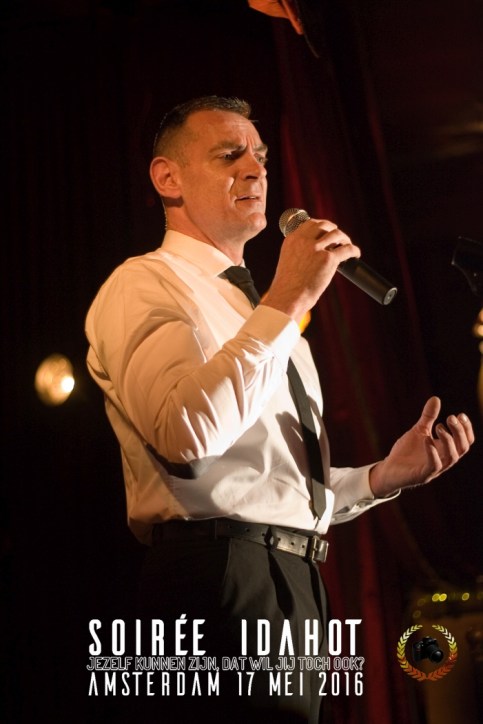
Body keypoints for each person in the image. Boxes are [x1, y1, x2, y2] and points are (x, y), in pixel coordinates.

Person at [85, 95, 474, 723]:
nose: (256, 170)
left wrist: (379, 478)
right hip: (216, 577)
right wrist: (288, 297)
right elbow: (185, 436)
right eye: (229, 155)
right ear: (168, 178)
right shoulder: (144, 284)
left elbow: (267, 486)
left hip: (294, 576)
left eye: (261, 157)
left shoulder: (264, 318)